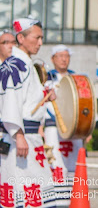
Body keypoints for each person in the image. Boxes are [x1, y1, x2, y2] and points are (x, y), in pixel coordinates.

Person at [0, 18, 57, 208]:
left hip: (28, 136)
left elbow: (26, 100)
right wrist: (18, 134)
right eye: (37, 37)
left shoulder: (23, 64)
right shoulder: (16, 65)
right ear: (21, 38)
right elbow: (10, 100)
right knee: (25, 189)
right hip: (21, 137)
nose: (40, 42)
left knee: (34, 189)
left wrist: (44, 96)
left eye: (42, 38)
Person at [43, 44, 96, 206]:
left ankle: (74, 198)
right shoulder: (45, 79)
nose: (64, 59)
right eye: (60, 56)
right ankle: (56, 199)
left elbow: (87, 105)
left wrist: (88, 129)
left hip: (75, 128)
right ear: (53, 59)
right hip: (52, 126)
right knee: (55, 162)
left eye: (66, 56)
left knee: (74, 163)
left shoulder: (77, 79)